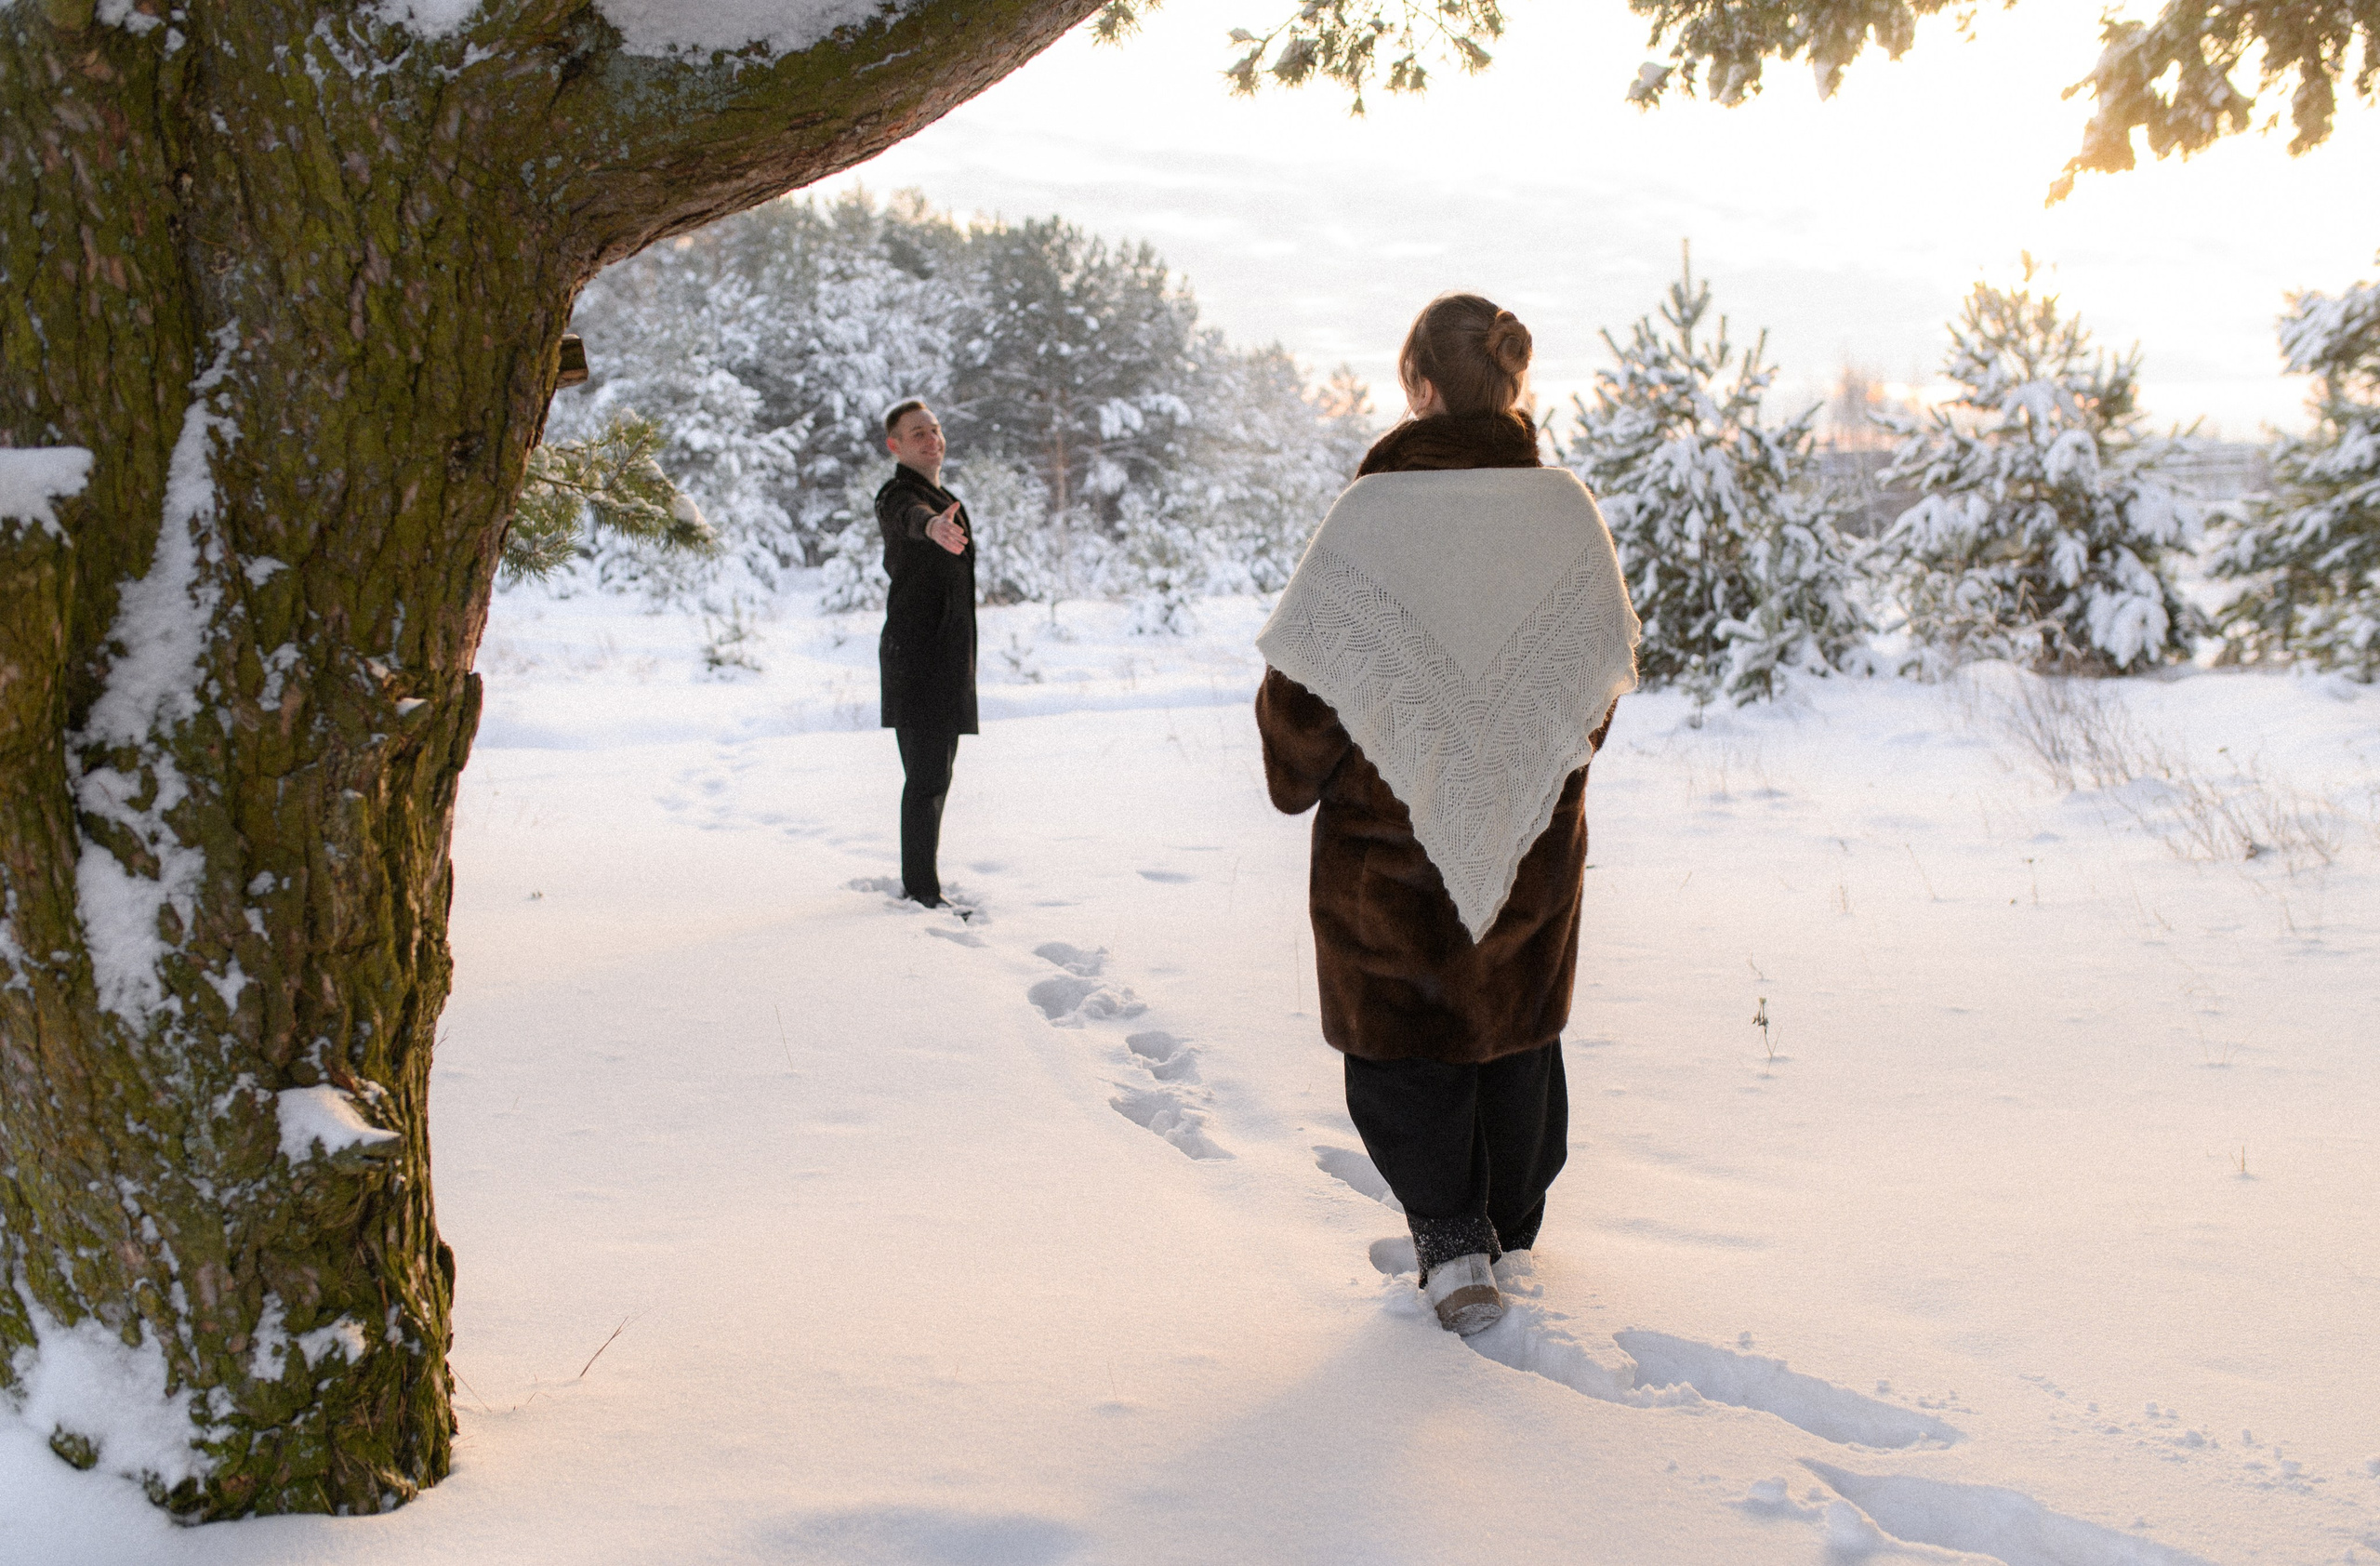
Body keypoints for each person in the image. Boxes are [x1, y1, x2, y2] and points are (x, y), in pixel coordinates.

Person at [1254, 294, 1641, 1336]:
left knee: (1409, 1040)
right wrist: (1529, 767)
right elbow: (1600, 679)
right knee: (1510, 1030)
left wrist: (1302, 773)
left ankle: (1449, 1240)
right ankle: (1506, 1227)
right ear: (1508, 385)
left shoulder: (1371, 515)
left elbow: (1299, 711)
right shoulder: (1566, 510)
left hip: (1389, 864)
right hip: (1529, 844)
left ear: (1418, 384)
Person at [875, 399, 977, 909]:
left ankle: (922, 886)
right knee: (927, 779)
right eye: (917, 433)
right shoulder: (898, 495)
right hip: (917, 661)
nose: (931, 438)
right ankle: (921, 893)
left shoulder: (946, 496)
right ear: (894, 445)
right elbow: (908, 517)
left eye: (934, 429)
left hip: (943, 662)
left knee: (935, 777)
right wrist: (931, 525)